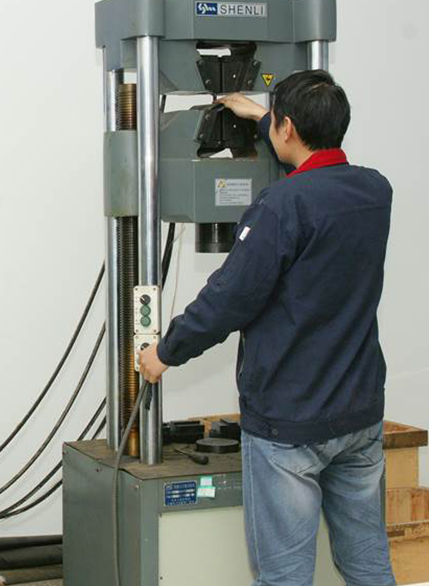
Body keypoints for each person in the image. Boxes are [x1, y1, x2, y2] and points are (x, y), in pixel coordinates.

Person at [138, 70, 396, 586]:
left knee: (284, 577)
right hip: (359, 415)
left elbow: (230, 298)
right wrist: (263, 119)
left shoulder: (281, 206)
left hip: (289, 424)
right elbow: (318, 171)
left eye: (277, 120)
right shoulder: (375, 190)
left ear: (289, 128)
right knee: (369, 566)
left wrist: (165, 352)